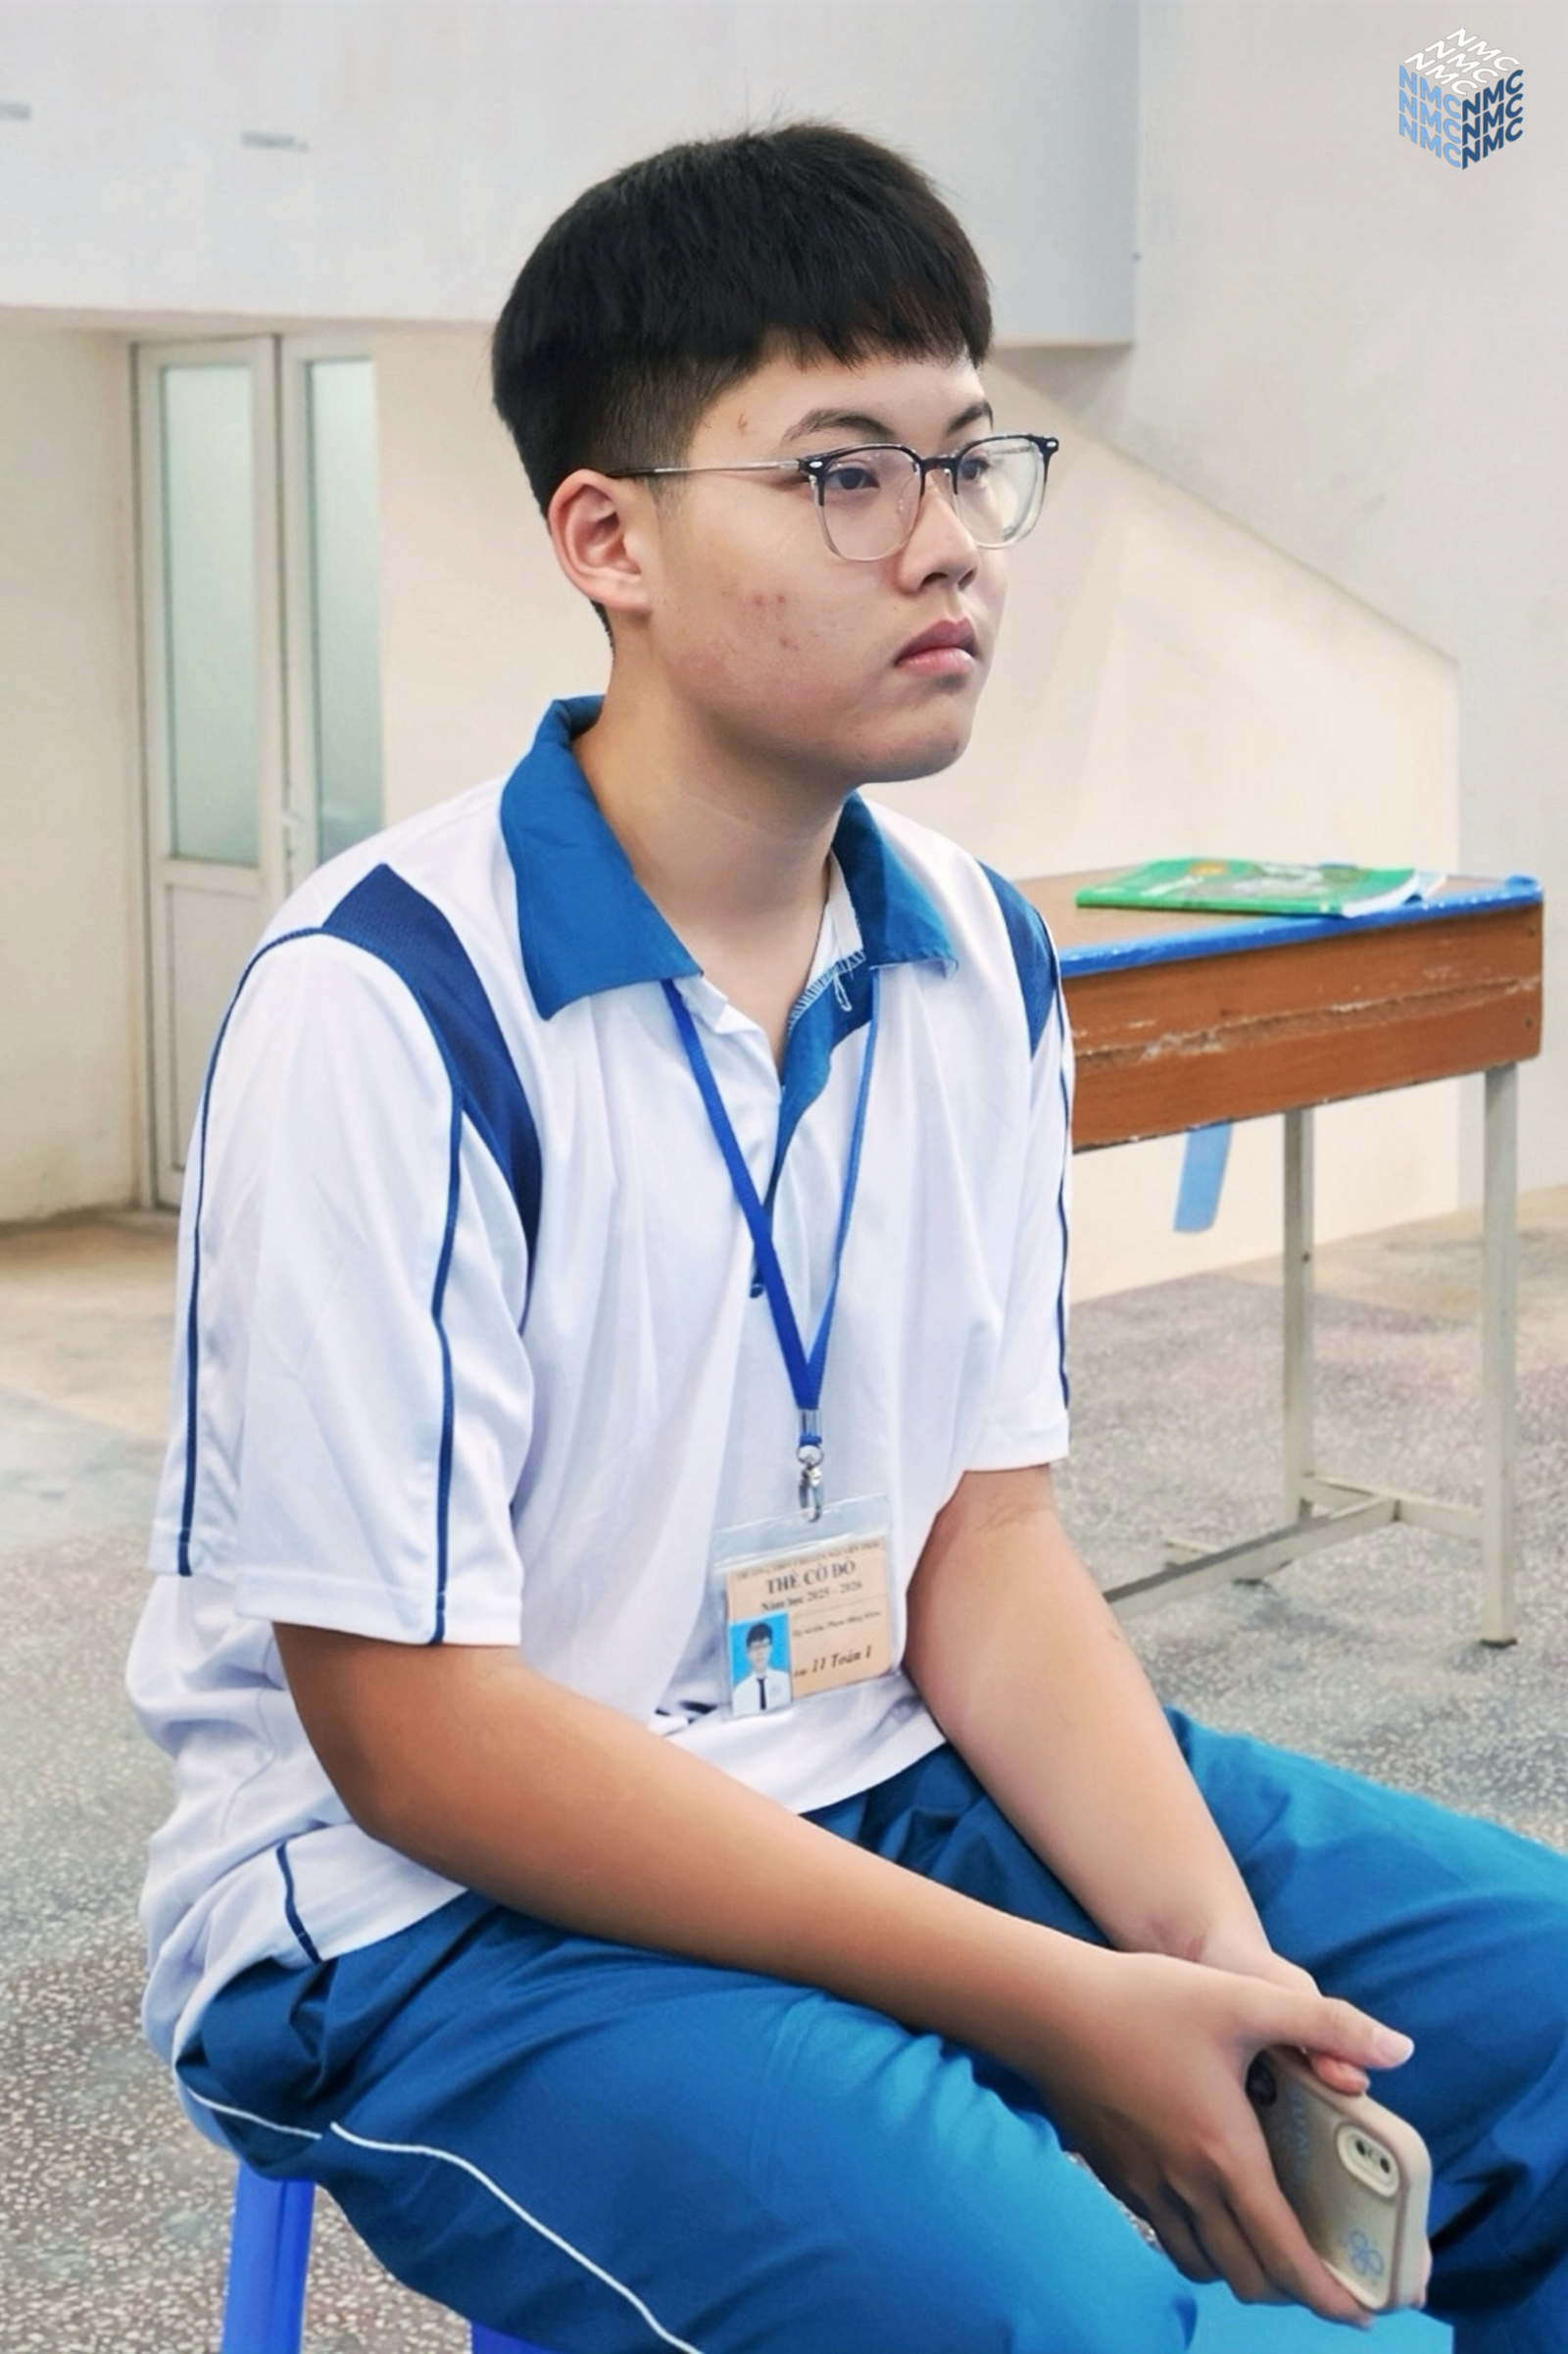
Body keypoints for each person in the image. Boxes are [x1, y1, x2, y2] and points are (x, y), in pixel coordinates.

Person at [127, 124, 1567, 2354]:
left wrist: (1208, 1954)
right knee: (1079, 2325)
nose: (950, 540)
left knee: (1541, 2017)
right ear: (604, 538)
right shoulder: (387, 1002)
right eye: (841, 474)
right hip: (433, 1914)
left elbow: (980, 1542)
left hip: (877, 1761)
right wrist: (1054, 1998)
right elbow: (416, 1736)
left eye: (970, 460)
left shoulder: (976, 952)